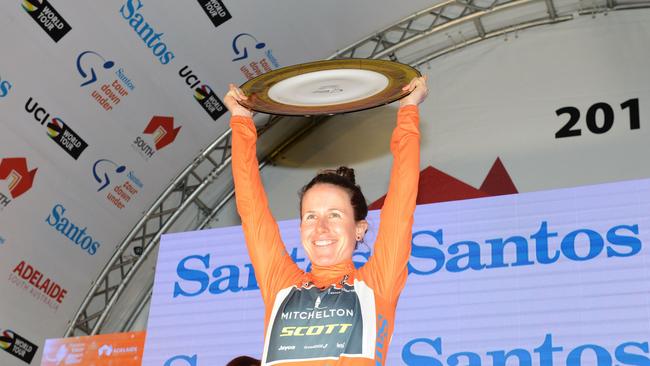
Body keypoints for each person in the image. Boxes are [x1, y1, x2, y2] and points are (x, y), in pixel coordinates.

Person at [225, 75, 428, 365]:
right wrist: (241, 118)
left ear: (359, 228)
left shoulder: (376, 284)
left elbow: (402, 199)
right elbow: (251, 207)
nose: (320, 228)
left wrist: (409, 108)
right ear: (301, 228)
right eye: (311, 216)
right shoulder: (281, 286)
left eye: (334, 215)